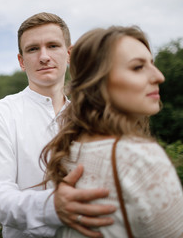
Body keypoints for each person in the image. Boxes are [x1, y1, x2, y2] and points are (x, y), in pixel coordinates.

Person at [0, 12, 116, 238]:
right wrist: (52, 206)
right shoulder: (0, 113)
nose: (44, 57)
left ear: (69, 53)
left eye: (53, 46)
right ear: (21, 61)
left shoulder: (91, 117)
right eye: (32, 49)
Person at [39, 25, 183, 237]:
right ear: (98, 83)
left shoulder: (67, 148)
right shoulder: (141, 156)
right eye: (137, 67)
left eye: (152, 64)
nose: (159, 76)